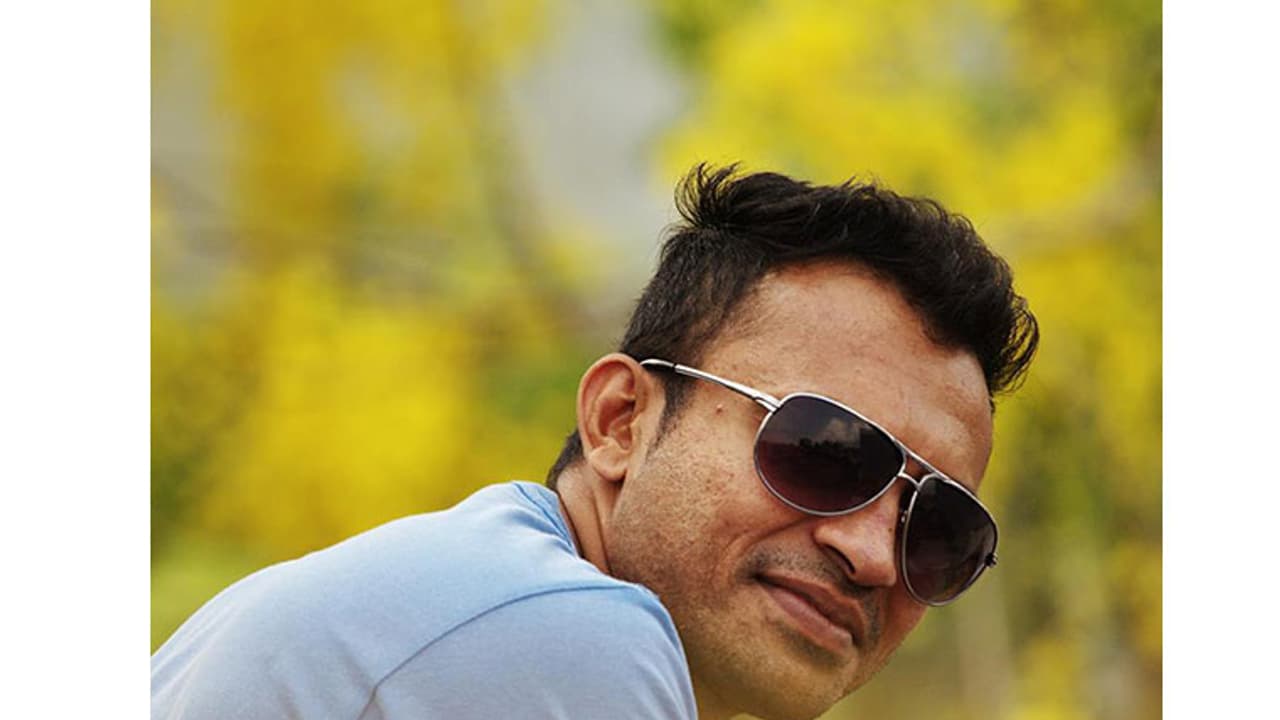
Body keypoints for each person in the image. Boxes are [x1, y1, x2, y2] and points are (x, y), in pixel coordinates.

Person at [152, 164, 1038, 720]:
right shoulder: (570, 637)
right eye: (827, 450)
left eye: (939, 531)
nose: (873, 555)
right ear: (620, 422)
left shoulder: (457, 605)